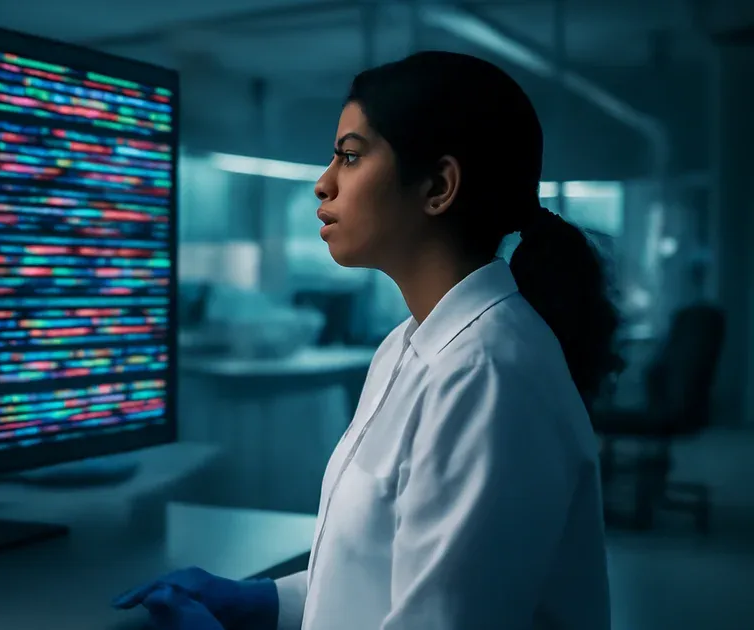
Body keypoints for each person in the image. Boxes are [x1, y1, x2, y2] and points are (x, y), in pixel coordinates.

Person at [113, 51, 621, 630]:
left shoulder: (485, 374)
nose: (323, 183)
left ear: (437, 186)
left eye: (350, 156)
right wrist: (268, 603)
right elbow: (381, 576)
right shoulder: (408, 346)